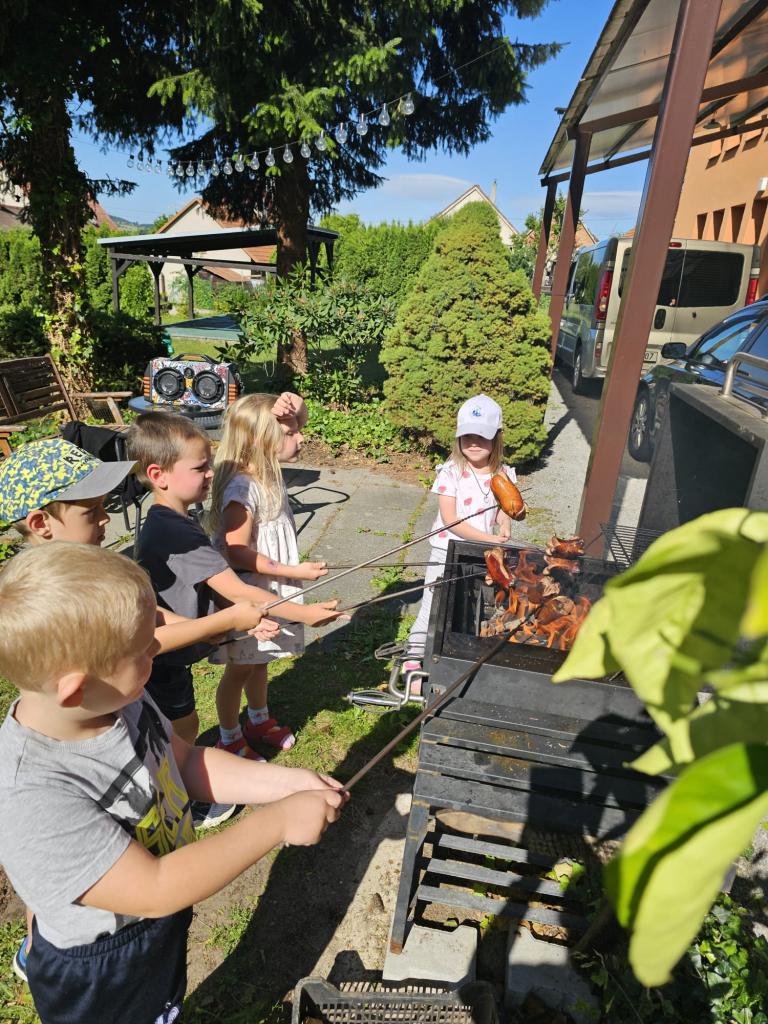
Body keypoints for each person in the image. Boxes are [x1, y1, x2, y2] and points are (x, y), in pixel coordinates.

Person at [0, 542, 346, 1024]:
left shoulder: (116, 700)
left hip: (157, 920)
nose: (156, 650)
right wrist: (278, 823)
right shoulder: (32, 797)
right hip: (103, 969)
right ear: (76, 688)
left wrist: (283, 784)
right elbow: (156, 885)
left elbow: (182, 761)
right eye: (143, 650)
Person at [0, 437, 280, 982]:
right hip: (103, 957)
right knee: (58, 883)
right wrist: (223, 621)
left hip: (142, 873)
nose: (107, 518)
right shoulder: (61, 606)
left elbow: (148, 630)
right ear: (40, 524)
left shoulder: (119, 678)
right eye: (91, 511)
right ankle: (42, 942)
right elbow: (147, 638)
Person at [126, 406, 344, 755]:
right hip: (163, 659)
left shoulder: (171, 520)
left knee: (182, 721)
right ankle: (194, 766)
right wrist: (306, 614)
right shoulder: (176, 532)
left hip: (173, 648)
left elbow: (214, 586)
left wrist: (246, 621)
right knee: (182, 726)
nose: (211, 473)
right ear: (159, 475)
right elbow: (237, 588)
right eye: (199, 468)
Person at [207, 393, 329, 756]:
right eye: (290, 433)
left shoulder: (266, 473)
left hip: (266, 586)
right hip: (248, 595)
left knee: (260, 660)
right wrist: (293, 571)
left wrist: (295, 404)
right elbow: (237, 551)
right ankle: (229, 737)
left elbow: (299, 415)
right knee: (239, 670)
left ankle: (258, 719)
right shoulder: (242, 488)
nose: (301, 437)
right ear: (261, 440)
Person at [404, 394, 523, 672]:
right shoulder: (451, 472)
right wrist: (491, 539)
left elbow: (503, 509)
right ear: (458, 438)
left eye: (482, 437)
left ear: (496, 438)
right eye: (467, 436)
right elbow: (451, 520)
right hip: (446, 550)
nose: (474, 443)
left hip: (479, 552)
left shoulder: (502, 474)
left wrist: (505, 524)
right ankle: (413, 656)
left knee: (468, 600)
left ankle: (454, 652)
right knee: (433, 602)